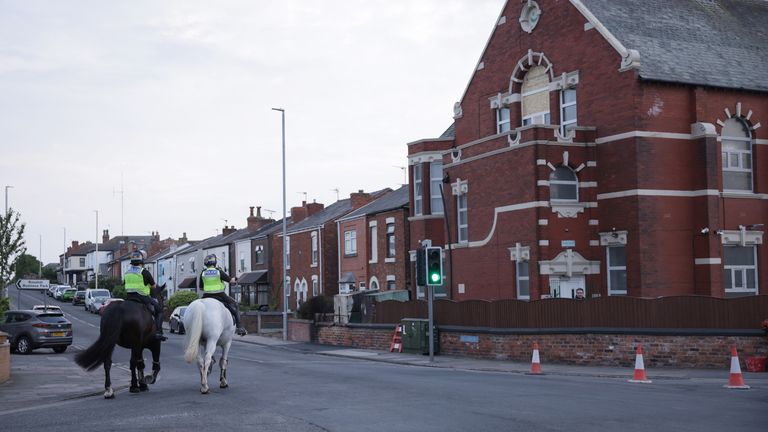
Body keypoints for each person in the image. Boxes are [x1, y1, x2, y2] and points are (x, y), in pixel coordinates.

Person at [199, 254, 248, 336]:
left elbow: (201, 288)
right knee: (235, 305)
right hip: (219, 294)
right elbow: (231, 281)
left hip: (206, 295)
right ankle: (239, 327)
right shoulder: (219, 271)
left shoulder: (203, 273)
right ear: (214, 262)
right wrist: (236, 278)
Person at [123, 251, 167, 341]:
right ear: (141, 262)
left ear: (132, 262)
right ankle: (158, 332)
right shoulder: (144, 272)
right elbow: (154, 286)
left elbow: (123, 283)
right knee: (159, 311)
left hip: (129, 297)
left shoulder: (127, 273)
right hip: (142, 297)